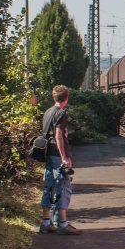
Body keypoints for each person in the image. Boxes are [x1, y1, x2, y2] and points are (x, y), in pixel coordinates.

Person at [40, 84, 81, 235]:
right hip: (57, 155)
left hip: (48, 153)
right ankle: (62, 224)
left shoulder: (48, 112)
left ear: (54, 97)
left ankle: (46, 222)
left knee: (49, 186)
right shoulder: (61, 113)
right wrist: (64, 157)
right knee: (63, 186)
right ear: (66, 98)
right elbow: (58, 135)